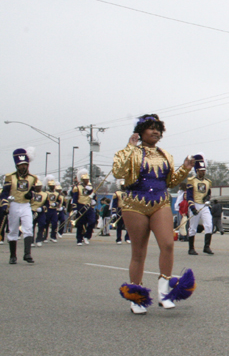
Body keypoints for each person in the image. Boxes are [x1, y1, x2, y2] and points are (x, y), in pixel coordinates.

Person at [113, 114, 196, 315]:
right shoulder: (129, 151)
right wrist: (129, 148)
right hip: (135, 203)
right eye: (151, 128)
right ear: (140, 132)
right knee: (139, 252)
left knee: (168, 244)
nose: (155, 131)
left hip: (160, 202)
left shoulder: (166, 155)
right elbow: (118, 172)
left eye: (158, 128)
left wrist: (184, 170)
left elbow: (169, 182)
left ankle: (164, 292)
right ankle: (137, 297)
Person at [2, 148, 38, 264]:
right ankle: (13, 256)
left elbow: (33, 191)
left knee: (28, 227)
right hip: (14, 205)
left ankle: (27, 254)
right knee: (13, 230)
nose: (23, 167)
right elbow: (5, 193)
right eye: (21, 165)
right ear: (17, 166)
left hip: (25, 205)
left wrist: (31, 194)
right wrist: (5, 205)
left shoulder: (32, 178)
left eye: (25, 165)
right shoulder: (10, 177)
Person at [186, 154, 214, 255]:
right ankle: (191, 248)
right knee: (193, 227)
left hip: (204, 205)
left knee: (209, 224)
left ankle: (206, 247)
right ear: (197, 170)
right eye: (201, 170)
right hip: (195, 204)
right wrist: (192, 207)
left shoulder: (208, 182)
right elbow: (189, 196)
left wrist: (207, 198)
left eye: (204, 170)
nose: (203, 172)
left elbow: (208, 194)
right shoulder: (191, 181)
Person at [72, 169, 97, 246]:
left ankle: (87, 236)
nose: (87, 180)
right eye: (85, 179)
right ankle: (79, 239)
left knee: (92, 221)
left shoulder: (90, 187)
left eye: (88, 179)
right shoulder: (77, 187)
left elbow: (94, 196)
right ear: (82, 180)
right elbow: (74, 199)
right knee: (80, 224)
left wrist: (93, 198)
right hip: (80, 206)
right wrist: (75, 209)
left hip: (89, 206)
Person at [43, 176, 61, 243]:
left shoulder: (56, 193)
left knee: (54, 223)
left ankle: (53, 236)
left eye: (53, 186)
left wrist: (56, 204)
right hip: (47, 210)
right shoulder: (46, 193)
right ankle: (44, 237)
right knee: (46, 224)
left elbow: (59, 201)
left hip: (53, 210)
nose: (52, 187)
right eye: (51, 186)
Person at [29, 180, 47, 246]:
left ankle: (39, 239)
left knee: (42, 225)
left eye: (39, 186)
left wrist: (42, 208)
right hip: (32, 211)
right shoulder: (31, 193)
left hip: (41, 212)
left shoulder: (45, 194)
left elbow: (47, 204)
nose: (38, 188)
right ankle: (31, 241)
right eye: (37, 186)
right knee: (31, 226)